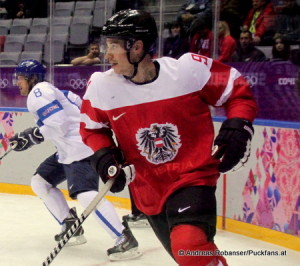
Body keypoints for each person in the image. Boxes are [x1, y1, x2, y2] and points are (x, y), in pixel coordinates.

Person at [79, 9, 258, 266]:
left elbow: (237, 89)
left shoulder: (188, 71)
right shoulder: (101, 86)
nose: (107, 54)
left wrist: (238, 126)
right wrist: (105, 156)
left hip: (193, 177)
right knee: (190, 256)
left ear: (137, 46)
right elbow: (92, 128)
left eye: (115, 46)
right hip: (148, 188)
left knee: (189, 247)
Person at [9, 59, 141, 261]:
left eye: (20, 78)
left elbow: (58, 124)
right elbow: (77, 108)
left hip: (79, 151)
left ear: (32, 78)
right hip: (69, 151)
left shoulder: (38, 93)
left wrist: (32, 135)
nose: (17, 82)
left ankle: (124, 239)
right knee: (40, 181)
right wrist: (31, 135)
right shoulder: (54, 90)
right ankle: (70, 225)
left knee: (87, 195)